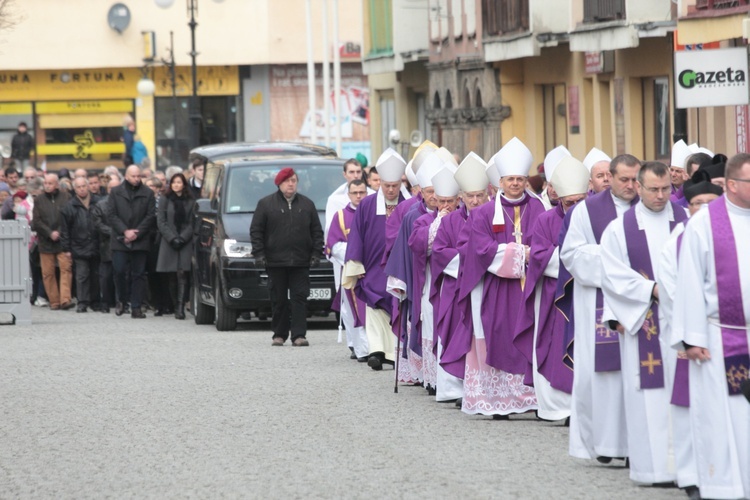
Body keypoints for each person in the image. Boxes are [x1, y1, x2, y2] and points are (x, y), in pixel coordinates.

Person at [600, 162, 688, 486]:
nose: (661, 195)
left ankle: (685, 468)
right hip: (646, 322)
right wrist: (651, 289)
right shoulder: (619, 229)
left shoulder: (685, 220)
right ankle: (653, 469)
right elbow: (610, 274)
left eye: (666, 189)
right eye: (653, 189)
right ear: (638, 187)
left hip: (681, 322)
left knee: (683, 394)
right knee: (648, 400)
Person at [672, 153, 750, 500]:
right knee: (724, 418)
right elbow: (689, 282)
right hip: (722, 337)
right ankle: (725, 487)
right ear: (732, 185)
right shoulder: (704, 224)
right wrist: (692, 337)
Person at [559, 154, 640, 463]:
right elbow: (572, 255)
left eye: (635, 180)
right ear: (610, 180)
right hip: (598, 301)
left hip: (638, 304)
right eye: (624, 180)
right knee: (600, 376)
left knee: (638, 373)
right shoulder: (586, 212)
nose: (631, 186)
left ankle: (636, 447)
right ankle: (602, 444)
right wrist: (616, 260)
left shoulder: (650, 209)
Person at [458, 137, 544, 419]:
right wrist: (520, 253)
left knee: (531, 335)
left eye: (520, 179)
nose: (516, 184)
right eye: (510, 179)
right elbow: (481, 250)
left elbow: (544, 243)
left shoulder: (539, 209)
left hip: (530, 287)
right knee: (498, 336)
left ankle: (531, 398)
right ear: (500, 181)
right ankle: (498, 402)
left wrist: (532, 254)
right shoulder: (483, 213)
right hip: (497, 289)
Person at [656, 175, 721, 499]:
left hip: (728, 335)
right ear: (688, 206)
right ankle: (691, 474)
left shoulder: (732, 233)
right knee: (687, 406)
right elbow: (670, 290)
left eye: (712, 202)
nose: (705, 209)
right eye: (698, 203)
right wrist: (692, 330)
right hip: (687, 335)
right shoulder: (677, 240)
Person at [514, 156, 591, 422]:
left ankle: (584, 404)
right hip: (554, 295)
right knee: (554, 345)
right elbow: (538, 255)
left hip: (588, 293)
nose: (576, 208)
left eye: (581, 201)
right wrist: (577, 259)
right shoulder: (545, 221)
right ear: (559, 198)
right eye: (570, 203)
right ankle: (557, 407)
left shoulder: (596, 218)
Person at [431, 153, 490, 404]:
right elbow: (440, 252)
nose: (475, 201)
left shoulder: (493, 216)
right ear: (461, 197)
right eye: (470, 196)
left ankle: (480, 386)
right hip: (456, 288)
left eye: (479, 195)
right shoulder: (450, 221)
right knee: (456, 333)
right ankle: (455, 388)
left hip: (488, 286)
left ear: (487, 195)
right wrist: (469, 262)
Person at [343, 149, 409, 369]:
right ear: (379, 182)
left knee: (396, 304)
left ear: (400, 183)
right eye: (386, 185)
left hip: (399, 266)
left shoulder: (409, 205)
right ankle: (376, 351)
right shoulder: (367, 205)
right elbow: (356, 236)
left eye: (395, 186)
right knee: (373, 305)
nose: (390, 190)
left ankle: (392, 352)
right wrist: (355, 264)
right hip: (372, 266)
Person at [385, 152, 443, 378]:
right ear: (421, 192)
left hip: (444, 277)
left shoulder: (456, 212)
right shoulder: (412, 215)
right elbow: (401, 246)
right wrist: (401, 281)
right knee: (422, 321)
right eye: (429, 192)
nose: (434, 197)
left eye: (437, 193)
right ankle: (424, 374)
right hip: (420, 277)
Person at [250, 167, 323, 346]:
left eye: (294, 181)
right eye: (287, 181)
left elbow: (316, 231)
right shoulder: (266, 204)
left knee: (299, 298)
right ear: (279, 183)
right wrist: (259, 253)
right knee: (279, 299)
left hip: (300, 261)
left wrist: (315, 253)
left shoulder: (307, 204)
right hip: (275, 261)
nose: (291, 184)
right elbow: (256, 230)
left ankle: (298, 335)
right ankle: (279, 334)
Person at [409, 166, 462, 401]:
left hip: (457, 280)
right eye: (441, 201)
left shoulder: (465, 219)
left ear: (458, 200)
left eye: (450, 201)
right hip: (433, 281)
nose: (445, 206)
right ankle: (435, 380)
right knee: (433, 327)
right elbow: (419, 246)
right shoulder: (423, 221)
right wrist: (438, 225)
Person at [326, 179, 369, 360]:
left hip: (374, 271)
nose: (358, 196)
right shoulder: (341, 216)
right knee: (353, 311)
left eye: (362, 192)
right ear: (349, 195)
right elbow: (334, 246)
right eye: (355, 193)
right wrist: (356, 258)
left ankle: (377, 348)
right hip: (352, 272)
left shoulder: (375, 214)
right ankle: (361, 349)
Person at [106, 165, 157, 319]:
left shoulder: (147, 193)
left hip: (140, 238)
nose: (136, 179)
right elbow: (111, 215)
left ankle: (136, 307)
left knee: (138, 274)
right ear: (126, 176)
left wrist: (138, 232)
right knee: (120, 271)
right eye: (133, 176)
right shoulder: (116, 192)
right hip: (120, 238)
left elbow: (150, 216)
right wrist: (125, 231)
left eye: (138, 176)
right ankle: (121, 299)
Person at [31, 173, 73, 310]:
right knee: (48, 272)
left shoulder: (66, 197)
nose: (47, 186)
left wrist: (59, 232)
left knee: (66, 269)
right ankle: (54, 301)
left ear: (56, 184)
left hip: (62, 240)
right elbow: (36, 221)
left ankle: (65, 299)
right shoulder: (39, 200)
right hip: (45, 240)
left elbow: (69, 217)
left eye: (50, 183)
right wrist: (49, 233)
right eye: (46, 183)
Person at [156, 173, 195, 320]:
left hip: (185, 240)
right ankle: (174, 305)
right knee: (171, 274)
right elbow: (161, 221)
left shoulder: (191, 200)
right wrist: (172, 238)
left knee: (182, 273)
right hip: (169, 240)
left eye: (179, 182)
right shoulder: (165, 199)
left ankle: (180, 307)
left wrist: (183, 237)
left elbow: (193, 222)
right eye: (174, 182)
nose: (176, 185)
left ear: (184, 184)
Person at [60, 177, 102, 313]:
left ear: (88, 186)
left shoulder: (98, 202)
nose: (82, 189)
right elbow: (65, 229)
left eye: (84, 185)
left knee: (96, 275)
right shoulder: (69, 206)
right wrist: (66, 248)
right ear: (74, 189)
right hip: (78, 245)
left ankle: (95, 301)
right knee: (82, 275)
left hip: (96, 243)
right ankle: (82, 301)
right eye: (78, 187)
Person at [92, 176, 121, 314]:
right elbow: (97, 224)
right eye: (111, 188)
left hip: (122, 244)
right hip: (106, 245)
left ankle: (120, 301)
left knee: (121, 275)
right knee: (105, 277)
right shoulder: (101, 204)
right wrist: (114, 232)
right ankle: (105, 302)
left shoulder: (125, 204)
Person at [324, 158, 368, 240]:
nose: (355, 176)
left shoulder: (373, 195)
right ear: (344, 174)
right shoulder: (335, 199)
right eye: (351, 172)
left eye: (358, 172)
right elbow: (330, 229)